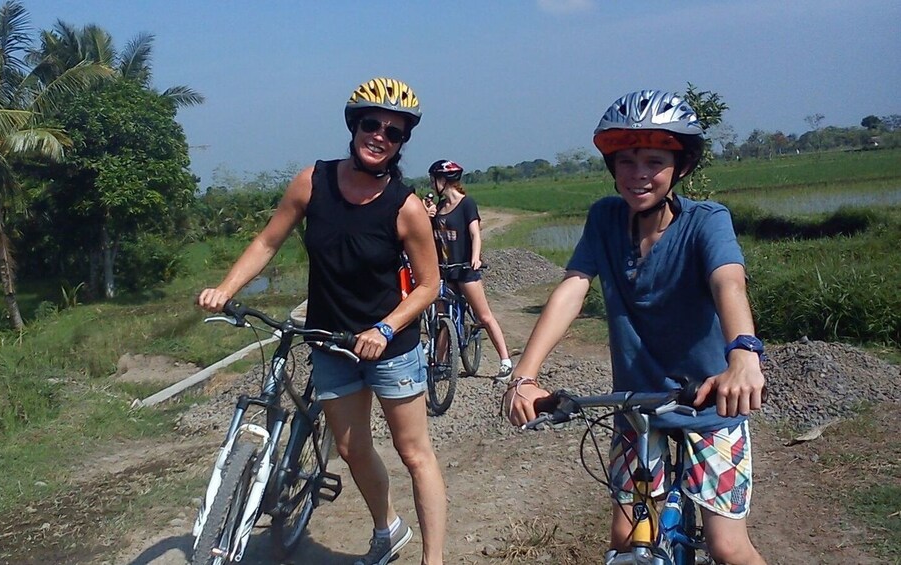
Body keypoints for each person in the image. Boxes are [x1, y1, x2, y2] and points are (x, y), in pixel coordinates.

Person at [503, 90, 767, 565]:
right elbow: (573, 288)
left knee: (728, 547)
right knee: (626, 542)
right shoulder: (604, 218)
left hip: (708, 403)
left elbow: (729, 283)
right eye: (625, 161)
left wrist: (743, 354)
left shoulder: (707, 222)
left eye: (653, 160)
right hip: (635, 409)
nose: (638, 173)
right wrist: (525, 374)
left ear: (680, 166)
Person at [198, 77, 446, 565]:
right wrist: (227, 289)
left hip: (390, 348)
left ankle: (433, 559)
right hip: (330, 343)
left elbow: (429, 285)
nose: (380, 136)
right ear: (354, 126)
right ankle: (387, 529)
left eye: (393, 132)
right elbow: (268, 241)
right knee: (352, 451)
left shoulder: (407, 207)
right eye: (371, 124)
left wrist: (385, 328)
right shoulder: (313, 182)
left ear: (401, 143)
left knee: (414, 454)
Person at [424, 159, 514, 381]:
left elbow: (475, 234)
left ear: (443, 181)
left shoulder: (467, 204)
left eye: (433, 180)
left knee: (484, 316)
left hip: (464, 269)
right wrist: (427, 217)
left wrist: (474, 258)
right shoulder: (439, 209)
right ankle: (440, 362)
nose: (432, 184)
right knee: (444, 317)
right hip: (445, 271)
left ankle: (505, 361)